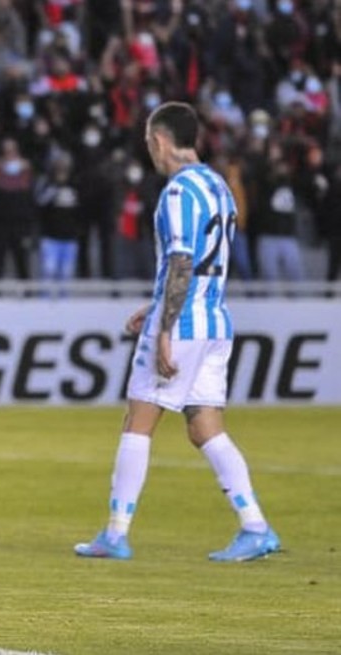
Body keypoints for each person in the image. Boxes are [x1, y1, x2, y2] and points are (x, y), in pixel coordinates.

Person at [74, 102, 281, 562]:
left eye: (149, 140)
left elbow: (184, 260)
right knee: (205, 426)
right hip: (216, 321)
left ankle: (115, 532)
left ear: (160, 141)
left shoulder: (177, 193)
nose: (148, 148)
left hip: (184, 323)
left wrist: (163, 327)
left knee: (139, 421)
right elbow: (205, 263)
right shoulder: (219, 187)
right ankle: (255, 527)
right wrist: (154, 306)